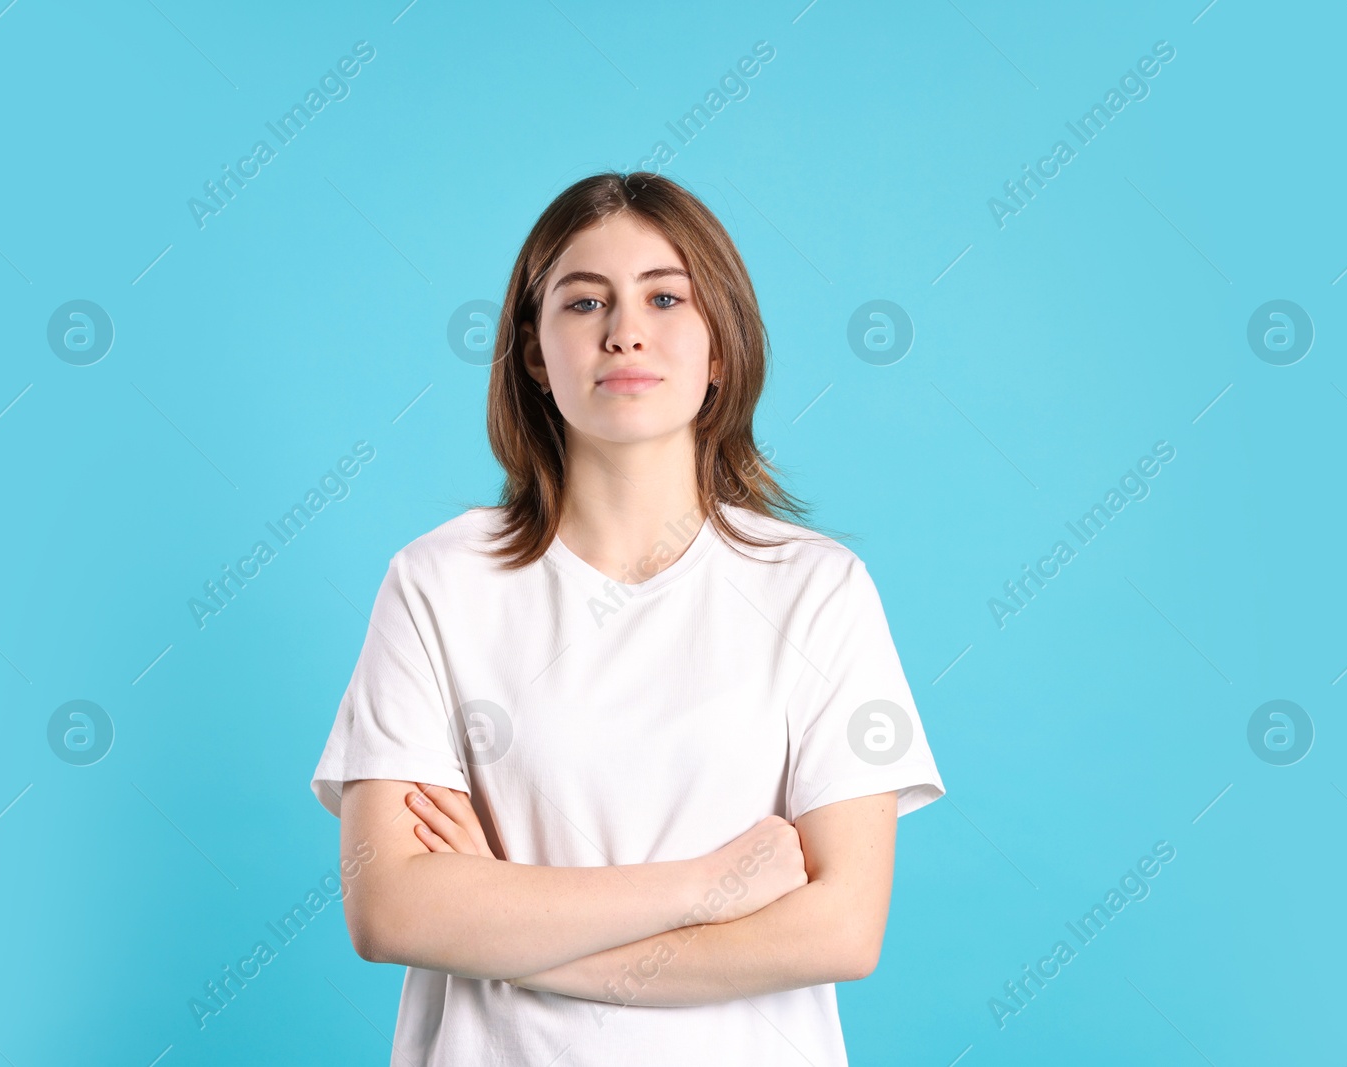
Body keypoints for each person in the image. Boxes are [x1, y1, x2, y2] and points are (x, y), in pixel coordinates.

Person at [309, 170, 944, 1065]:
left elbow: (840, 930)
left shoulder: (818, 589)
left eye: (665, 296)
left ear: (720, 346)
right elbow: (391, 910)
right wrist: (712, 884)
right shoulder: (438, 582)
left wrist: (506, 919)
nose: (625, 330)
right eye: (582, 302)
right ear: (533, 351)